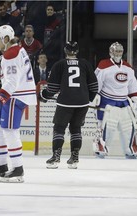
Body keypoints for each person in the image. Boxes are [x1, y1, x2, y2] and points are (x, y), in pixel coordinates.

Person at [0, 25, 37, 183]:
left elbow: (12, 82)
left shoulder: (11, 54)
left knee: (9, 130)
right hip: (13, 95)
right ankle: (2, 166)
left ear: (6, 39)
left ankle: (18, 168)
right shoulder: (16, 50)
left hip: (16, 96)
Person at [39, 41, 98, 169]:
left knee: (59, 128)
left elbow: (52, 88)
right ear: (77, 51)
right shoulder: (85, 64)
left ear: (65, 50)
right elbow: (94, 86)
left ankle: (56, 157)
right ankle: (74, 158)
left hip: (65, 102)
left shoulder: (59, 65)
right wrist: (87, 100)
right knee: (76, 129)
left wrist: (43, 96)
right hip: (82, 103)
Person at [92, 42, 137, 159]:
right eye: (116, 51)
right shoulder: (103, 65)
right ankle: (101, 150)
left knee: (129, 128)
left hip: (123, 102)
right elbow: (96, 84)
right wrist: (95, 97)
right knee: (107, 128)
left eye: (120, 51)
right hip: (107, 101)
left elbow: (132, 86)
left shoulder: (128, 67)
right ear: (111, 52)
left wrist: (136, 101)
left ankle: (130, 150)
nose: (118, 53)